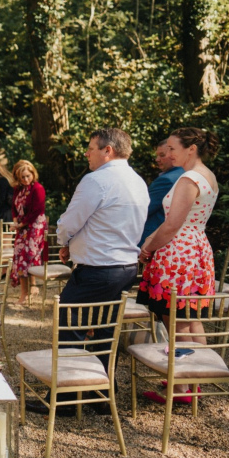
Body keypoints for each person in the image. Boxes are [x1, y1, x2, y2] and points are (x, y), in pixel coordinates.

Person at [25, 128, 148, 418]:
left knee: (69, 327)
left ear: (108, 150)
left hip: (98, 269)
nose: (86, 154)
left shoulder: (96, 181)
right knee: (105, 331)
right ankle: (101, 395)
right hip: (125, 267)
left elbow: (70, 221)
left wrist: (65, 242)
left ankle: (66, 398)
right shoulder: (138, 181)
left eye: (91, 148)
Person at [137, 128, 219, 404]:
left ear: (191, 149)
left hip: (179, 255)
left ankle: (181, 389)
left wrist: (148, 247)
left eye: (172, 148)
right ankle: (192, 381)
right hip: (196, 249)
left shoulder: (189, 179)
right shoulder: (208, 175)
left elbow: (172, 225)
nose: (169, 154)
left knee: (178, 322)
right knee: (190, 319)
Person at [10, 160, 46, 305]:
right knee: (19, 257)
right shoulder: (18, 189)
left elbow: (37, 211)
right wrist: (15, 221)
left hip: (34, 226)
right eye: (22, 177)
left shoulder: (37, 188)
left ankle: (29, 290)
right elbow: (13, 206)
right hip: (21, 226)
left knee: (28, 256)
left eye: (27, 176)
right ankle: (25, 291)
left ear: (33, 174)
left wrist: (21, 224)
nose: (25, 179)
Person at [139, 140, 185, 246]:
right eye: (157, 155)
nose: (157, 159)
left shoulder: (168, 180)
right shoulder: (185, 173)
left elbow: (144, 209)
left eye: (162, 155)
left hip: (153, 238)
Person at [0, 159, 14, 224]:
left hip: (5, 215)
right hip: (10, 214)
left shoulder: (2, 181)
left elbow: (1, 199)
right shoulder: (7, 180)